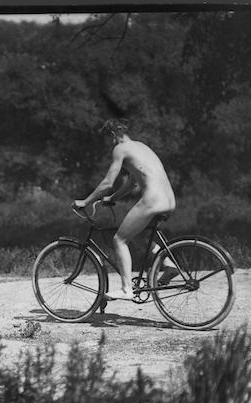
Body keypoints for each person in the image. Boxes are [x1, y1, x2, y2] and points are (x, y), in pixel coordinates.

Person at [74, 119, 177, 301]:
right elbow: (133, 182)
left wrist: (86, 201)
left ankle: (126, 289)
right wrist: (113, 199)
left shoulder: (120, 149)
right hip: (169, 200)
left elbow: (107, 183)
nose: (110, 143)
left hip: (153, 200)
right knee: (144, 233)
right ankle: (169, 265)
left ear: (113, 134)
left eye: (109, 138)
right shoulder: (141, 147)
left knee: (119, 240)